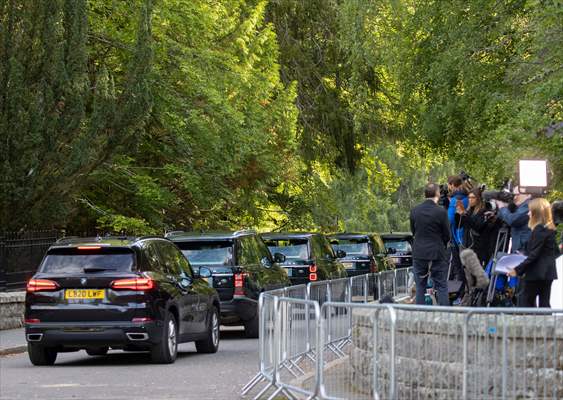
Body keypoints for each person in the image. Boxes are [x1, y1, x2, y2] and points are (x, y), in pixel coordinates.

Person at [508, 198, 558, 307]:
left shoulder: (539, 230)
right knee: (544, 304)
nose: (528, 213)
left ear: (537, 213)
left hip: (536, 273)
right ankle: (547, 324)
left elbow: (534, 255)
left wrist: (517, 270)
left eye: (530, 211)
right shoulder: (549, 230)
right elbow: (555, 251)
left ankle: (530, 324)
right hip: (548, 273)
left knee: (526, 302)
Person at [409, 183, 451, 306]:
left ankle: (421, 315)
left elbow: (414, 231)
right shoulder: (441, 212)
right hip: (437, 253)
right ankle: (445, 315)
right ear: (437, 194)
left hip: (419, 253)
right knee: (442, 285)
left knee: (420, 287)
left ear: (425, 194)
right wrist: (441, 245)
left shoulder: (414, 211)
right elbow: (447, 235)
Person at [456, 188, 499, 265]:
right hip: (467, 245)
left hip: (478, 248)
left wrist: (465, 214)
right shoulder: (469, 210)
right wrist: (458, 214)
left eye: (473, 197)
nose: (470, 200)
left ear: (478, 199)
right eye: (469, 197)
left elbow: (477, 226)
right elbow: (459, 225)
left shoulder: (483, 211)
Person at [496, 186, 532, 253]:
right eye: (513, 195)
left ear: (528, 195)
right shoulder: (519, 207)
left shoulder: (528, 205)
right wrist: (506, 207)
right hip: (520, 249)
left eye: (517, 195)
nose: (514, 198)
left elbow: (512, 220)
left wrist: (502, 207)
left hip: (524, 250)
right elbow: (503, 218)